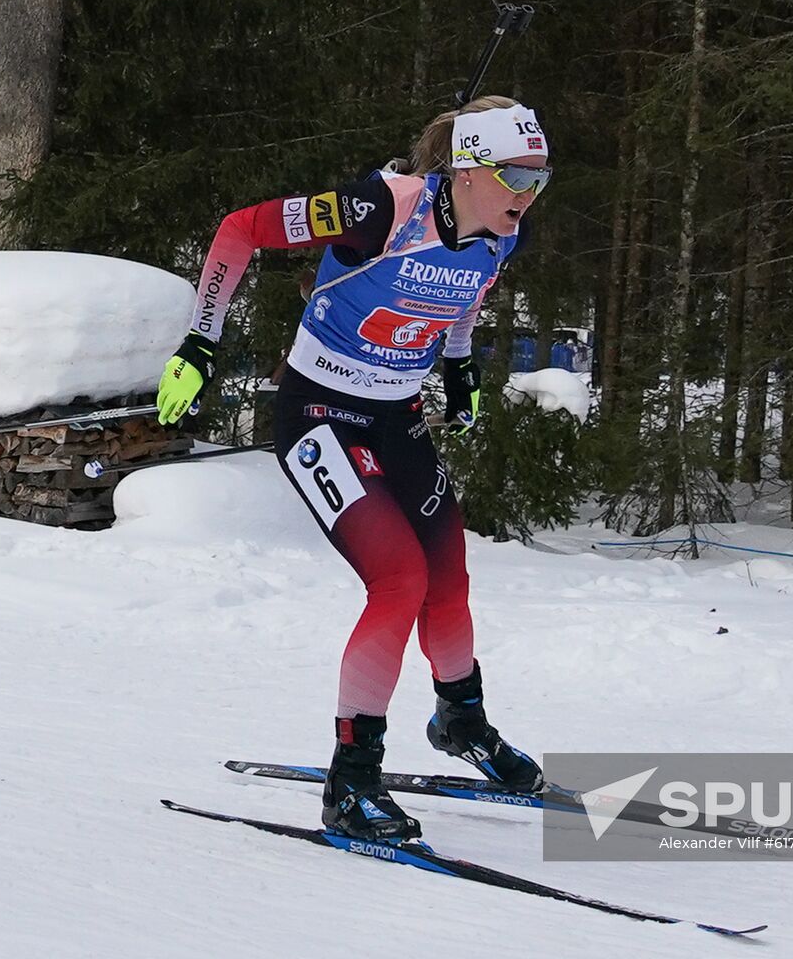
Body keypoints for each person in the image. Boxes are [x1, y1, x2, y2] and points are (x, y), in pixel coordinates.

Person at [156, 97, 551, 842]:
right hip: (319, 416)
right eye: (515, 175)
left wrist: (461, 368)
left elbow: (466, 294)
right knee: (398, 578)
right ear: (467, 170)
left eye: (541, 177)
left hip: (397, 415)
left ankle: (461, 719)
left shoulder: (505, 231)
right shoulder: (375, 208)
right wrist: (201, 344)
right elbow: (241, 228)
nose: (527, 195)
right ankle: (353, 778)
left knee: (448, 574)